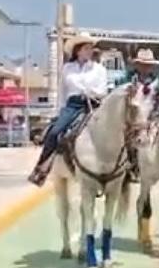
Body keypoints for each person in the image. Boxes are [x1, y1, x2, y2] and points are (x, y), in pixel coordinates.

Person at [27, 32, 108, 185]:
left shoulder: (99, 70)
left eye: (91, 48)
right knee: (55, 132)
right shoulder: (67, 69)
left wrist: (91, 93)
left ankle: (113, 171)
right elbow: (63, 93)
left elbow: (103, 91)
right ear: (78, 50)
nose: (90, 51)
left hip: (92, 105)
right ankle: (41, 170)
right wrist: (59, 112)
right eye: (86, 48)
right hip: (72, 106)